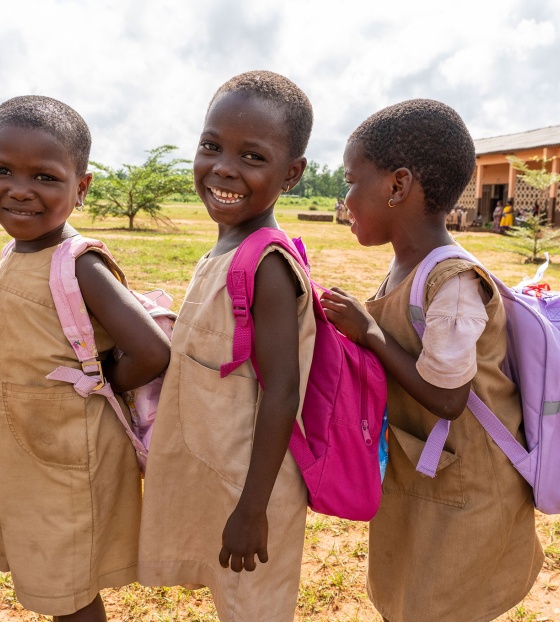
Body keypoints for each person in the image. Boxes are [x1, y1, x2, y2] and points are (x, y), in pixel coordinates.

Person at [320, 99, 543, 622]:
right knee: (407, 594)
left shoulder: (454, 284)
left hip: (468, 493)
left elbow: (449, 397)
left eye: (353, 181)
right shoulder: (403, 266)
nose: (345, 198)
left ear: (398, 186)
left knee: (440, 604)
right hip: (422, 478)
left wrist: (371, 335)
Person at [138, 71, 316, 622]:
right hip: (223, 482)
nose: (224, 168)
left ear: (291, 175)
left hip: (253, 494)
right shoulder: (222, 251)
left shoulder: (267, 266)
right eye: (211, 146)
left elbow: (284, 390)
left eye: (253, 157)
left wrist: (252, 510)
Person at [0, 96, 171, 621]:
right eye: (2, 170)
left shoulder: (79, 264)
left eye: (45, 177)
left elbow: (153, 350)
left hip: (68, 455)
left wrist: (96, 381)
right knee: (41, 561)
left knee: (70, 590)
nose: (19, 189)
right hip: (23, 447)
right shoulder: (14, 251)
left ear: (82, 186)